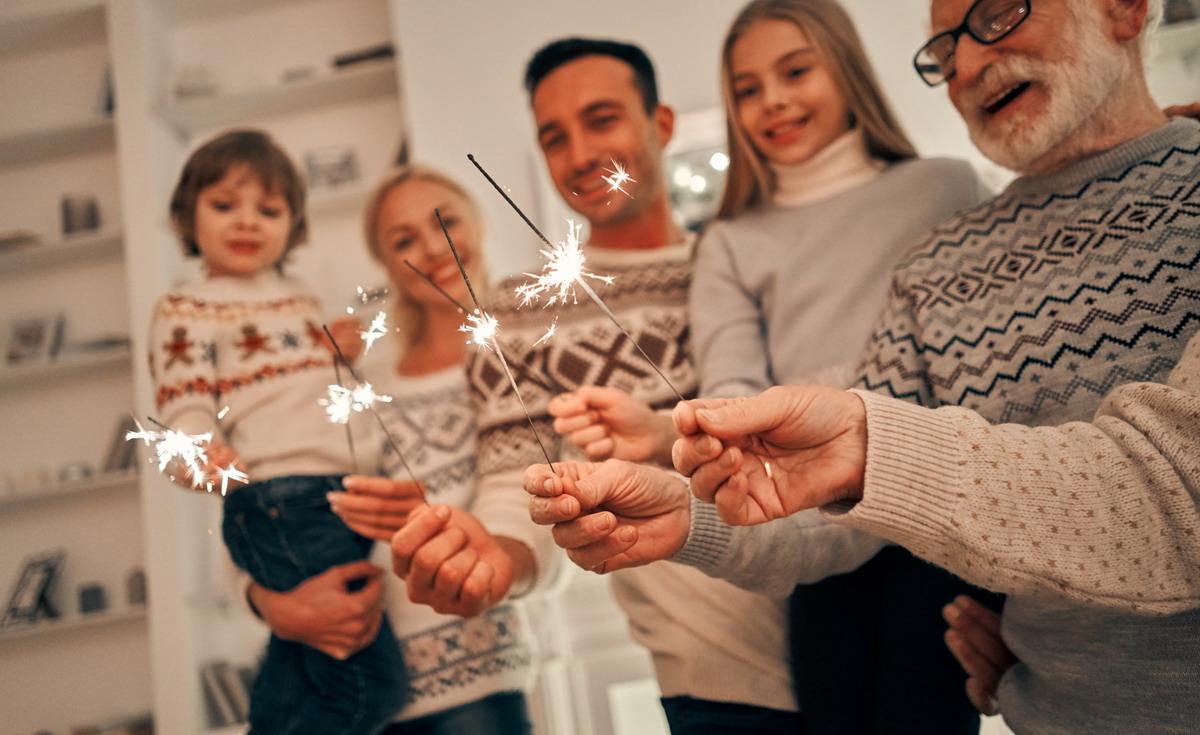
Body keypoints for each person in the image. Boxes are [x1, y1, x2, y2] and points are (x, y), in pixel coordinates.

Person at [526, 0, 1200, 730]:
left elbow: (1166, 484)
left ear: (1127, 8)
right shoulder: (936, 268)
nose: (967, 65)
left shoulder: (940, 194)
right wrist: (690, 512)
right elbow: (814, 476)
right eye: (944, 52)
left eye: (1001, 14)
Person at [546, 2, 997, 731]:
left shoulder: (945, 190)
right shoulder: (730, 240)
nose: (773, 101)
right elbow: (732, 395)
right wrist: (666, 431)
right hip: (815, 533)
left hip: (937, 526)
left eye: (794, 72)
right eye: (747, 89)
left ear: (844, 69)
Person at [394, 37, 806, 733]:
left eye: (603, 119)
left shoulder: (751, 265)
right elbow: (512, 486)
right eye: (554, 138)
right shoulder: (518, 314)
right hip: (719, 686)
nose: (580, 153)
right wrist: (501, 562)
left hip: (871, 639)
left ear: (663, 124)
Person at [244, 165, 540, 734]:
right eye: (403, 240)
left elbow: (537, 520)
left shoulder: (526, 356)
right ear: (387, 266)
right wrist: (265, 603)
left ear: (476, 223)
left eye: (445, 222)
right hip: (347, 686)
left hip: (474, 687)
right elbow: (270, 503)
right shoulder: (364, 379)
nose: (432, 248)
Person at [149, 129, 405, 735]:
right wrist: (196, 456)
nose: (248, 222)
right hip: (282, 502)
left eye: (269, 210)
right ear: (187, 214)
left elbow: (309, 400)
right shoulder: (187, 308)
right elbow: (183, 407)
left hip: (332, 496)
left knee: (305, 671)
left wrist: (344, 356)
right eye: (224, 205)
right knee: (371, 688)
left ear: (294, 223)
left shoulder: (300, 299)